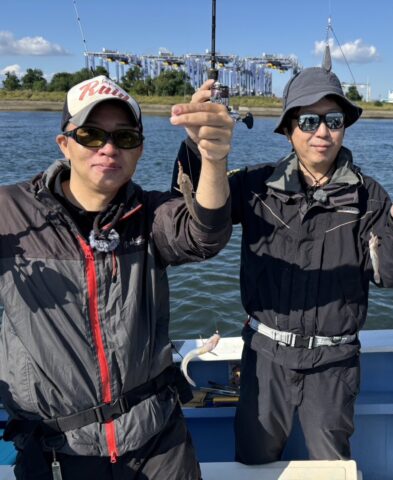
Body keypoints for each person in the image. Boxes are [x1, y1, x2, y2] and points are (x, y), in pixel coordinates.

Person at [172, 65, 393, 464]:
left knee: (331, 463)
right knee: (254, 460)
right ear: (289, 129)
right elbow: (196, 219)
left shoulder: (371, 197)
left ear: (344, 128)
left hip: (334, 364)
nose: (322, 132)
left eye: (333, 121)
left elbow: (391, 277)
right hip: (264, 358)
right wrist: (198, 148)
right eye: (308, 121)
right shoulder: (254, 186)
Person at [0, 75, 234, 479]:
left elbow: (205, 236)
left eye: (124, 138)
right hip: (55, 449)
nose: (108, 148)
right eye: (91, 134)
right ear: (64, 143)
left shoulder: (150, 213)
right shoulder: (10, 212)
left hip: (157, 442)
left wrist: (213, 158)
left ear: (139, 150)